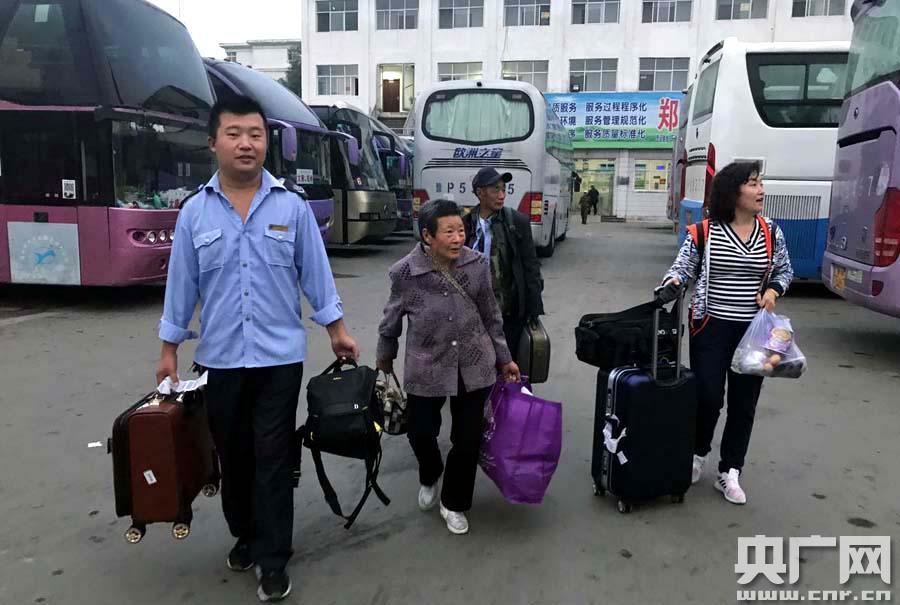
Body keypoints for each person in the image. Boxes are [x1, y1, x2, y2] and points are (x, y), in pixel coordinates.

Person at [155, 95, 359, 602]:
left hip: (279, 359)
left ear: (267, 143)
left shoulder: (291, 206)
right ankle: (245, 534)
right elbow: (181, 286)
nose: (246, 143)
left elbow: (315, 273)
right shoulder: (194, 213)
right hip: (220, 360)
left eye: (255, 134)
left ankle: (273, 558)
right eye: (234, 134)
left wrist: (336, 330)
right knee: (234, 456)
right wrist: (168, 351)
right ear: (213, 142)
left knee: (272, 456)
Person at [377, 199, 520, 535]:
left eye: (461, 231)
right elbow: (391, 320)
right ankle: (430, 473)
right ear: (428, 236)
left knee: (467, 439)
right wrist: (385, 356)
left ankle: (454, 502)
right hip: (426, 365)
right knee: (420, 431)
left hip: (474, 363)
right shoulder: (405, 273)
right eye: (449, 232)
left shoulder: (477, 265)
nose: (458, 239)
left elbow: (491, 315)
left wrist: (504, 358)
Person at [660, 161, 793, 506]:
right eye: (753, 184)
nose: (761, 190)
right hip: (710, 327)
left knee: (744, 402)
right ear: (733, 192)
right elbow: (682, 268)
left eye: (760, 183)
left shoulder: (771, 231)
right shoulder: (704, 232)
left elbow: (784, 270)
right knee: (708, 396)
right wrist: (673, 281)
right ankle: (697, 453)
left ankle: (730, 470)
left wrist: (773, 290)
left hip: (754, 331)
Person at [462, 167, 544, 362]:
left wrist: (533, 309)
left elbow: (531, 266)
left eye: (504, 189)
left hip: (507, 313)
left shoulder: (516, 222)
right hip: (472, 312)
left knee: (506, 364)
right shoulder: (464, 223)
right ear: (480, 193)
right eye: (495, 190)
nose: (502, 195)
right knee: (474, 363)